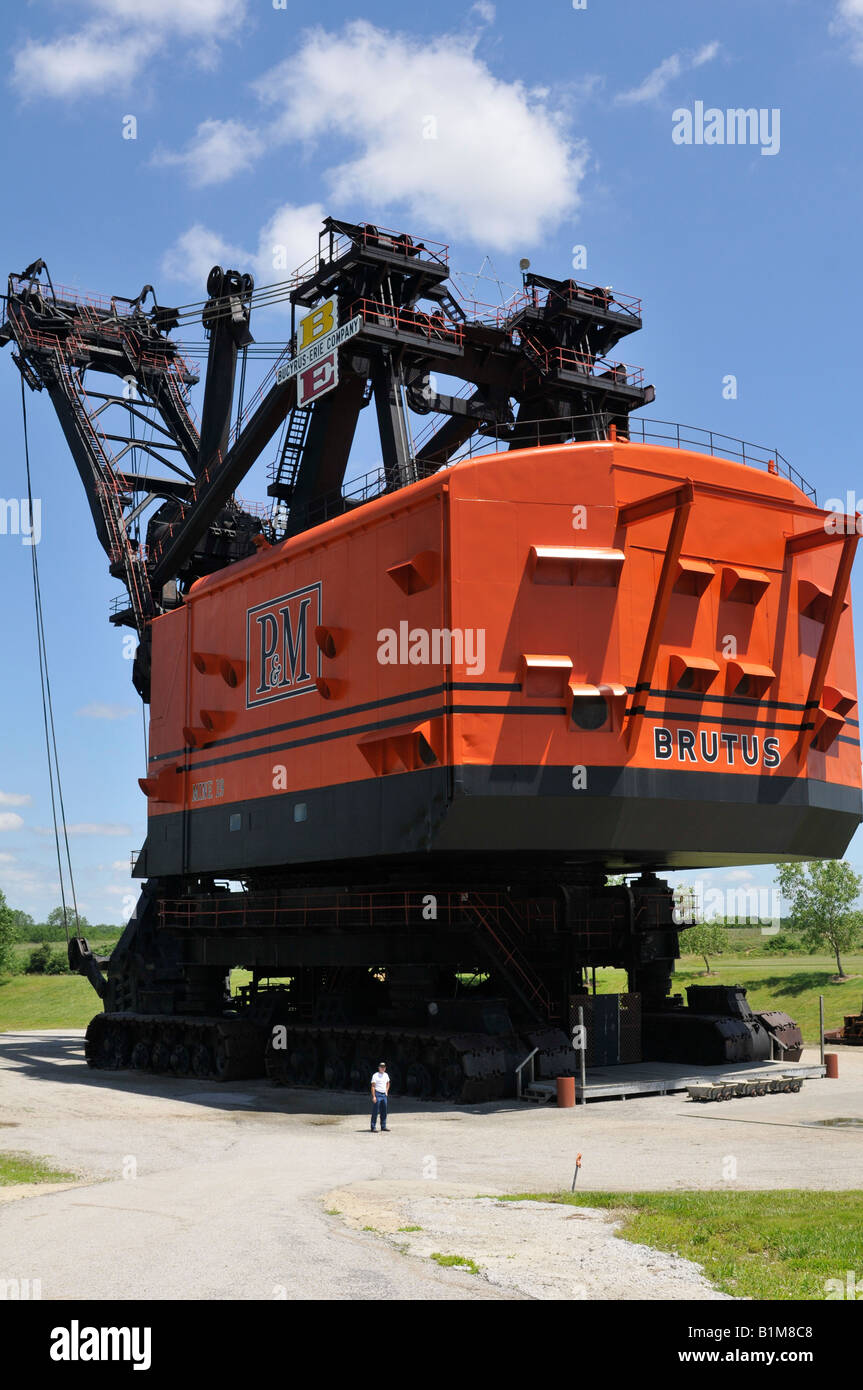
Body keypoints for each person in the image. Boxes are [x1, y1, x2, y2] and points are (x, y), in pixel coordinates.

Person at [370, 1062, 390, 1132]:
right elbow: (373, 1086)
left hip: (384, 1095)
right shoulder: (375, 1075)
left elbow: (388, 1083)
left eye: (384, 1067)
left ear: (385, 1068)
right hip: (377, 1094)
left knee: (384, 1111)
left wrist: (386, 1091)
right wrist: (374, 1096)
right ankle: (373, 1127)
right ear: (379, 1068)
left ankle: (383, 1126)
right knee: (375, 1111)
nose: (382, 1068)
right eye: (381, 1067)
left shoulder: (386, 1075)